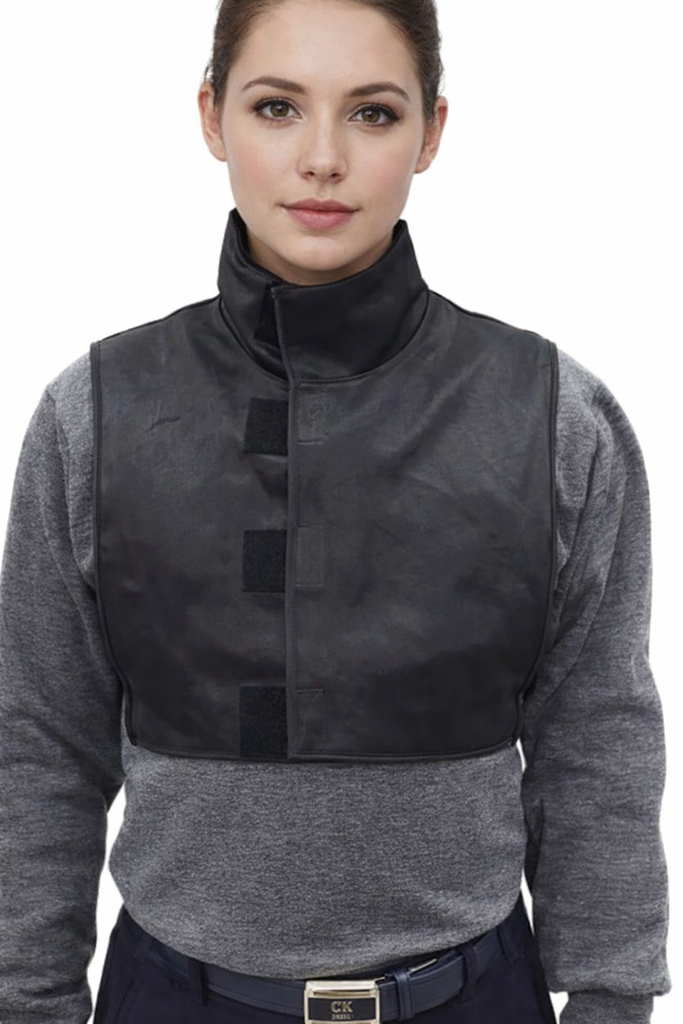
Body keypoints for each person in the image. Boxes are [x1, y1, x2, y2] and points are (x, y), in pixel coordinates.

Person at [0, 1, 672, 1022]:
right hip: (171, 997)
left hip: (474, 996)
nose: (322, 158)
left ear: (430, 132)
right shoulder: (92, 413)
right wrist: (26, 998)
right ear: (212, 116)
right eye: (277, 107)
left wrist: (613, 998)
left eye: (371, 113)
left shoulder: (555, 416)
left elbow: (594, 735)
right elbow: (42, 738)